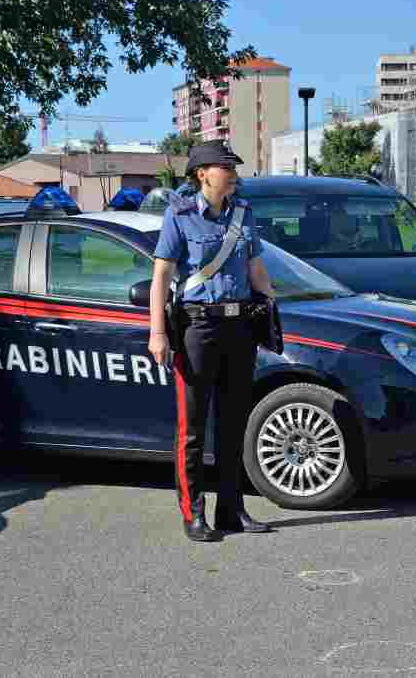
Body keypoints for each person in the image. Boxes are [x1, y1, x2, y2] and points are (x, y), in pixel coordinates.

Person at [148, 140, 276, 542]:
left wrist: (272, 306)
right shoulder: (180, 216)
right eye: (226, 167)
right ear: (203, 174)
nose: (233, 173)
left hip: (239, 330)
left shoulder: (243, 214)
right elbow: (161, 278)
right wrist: (157, 333)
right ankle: (193, 513)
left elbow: (256, 269)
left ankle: (231, 510)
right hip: (197, 330)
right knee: (192, 428)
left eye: (233, 167)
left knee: (233, 423)